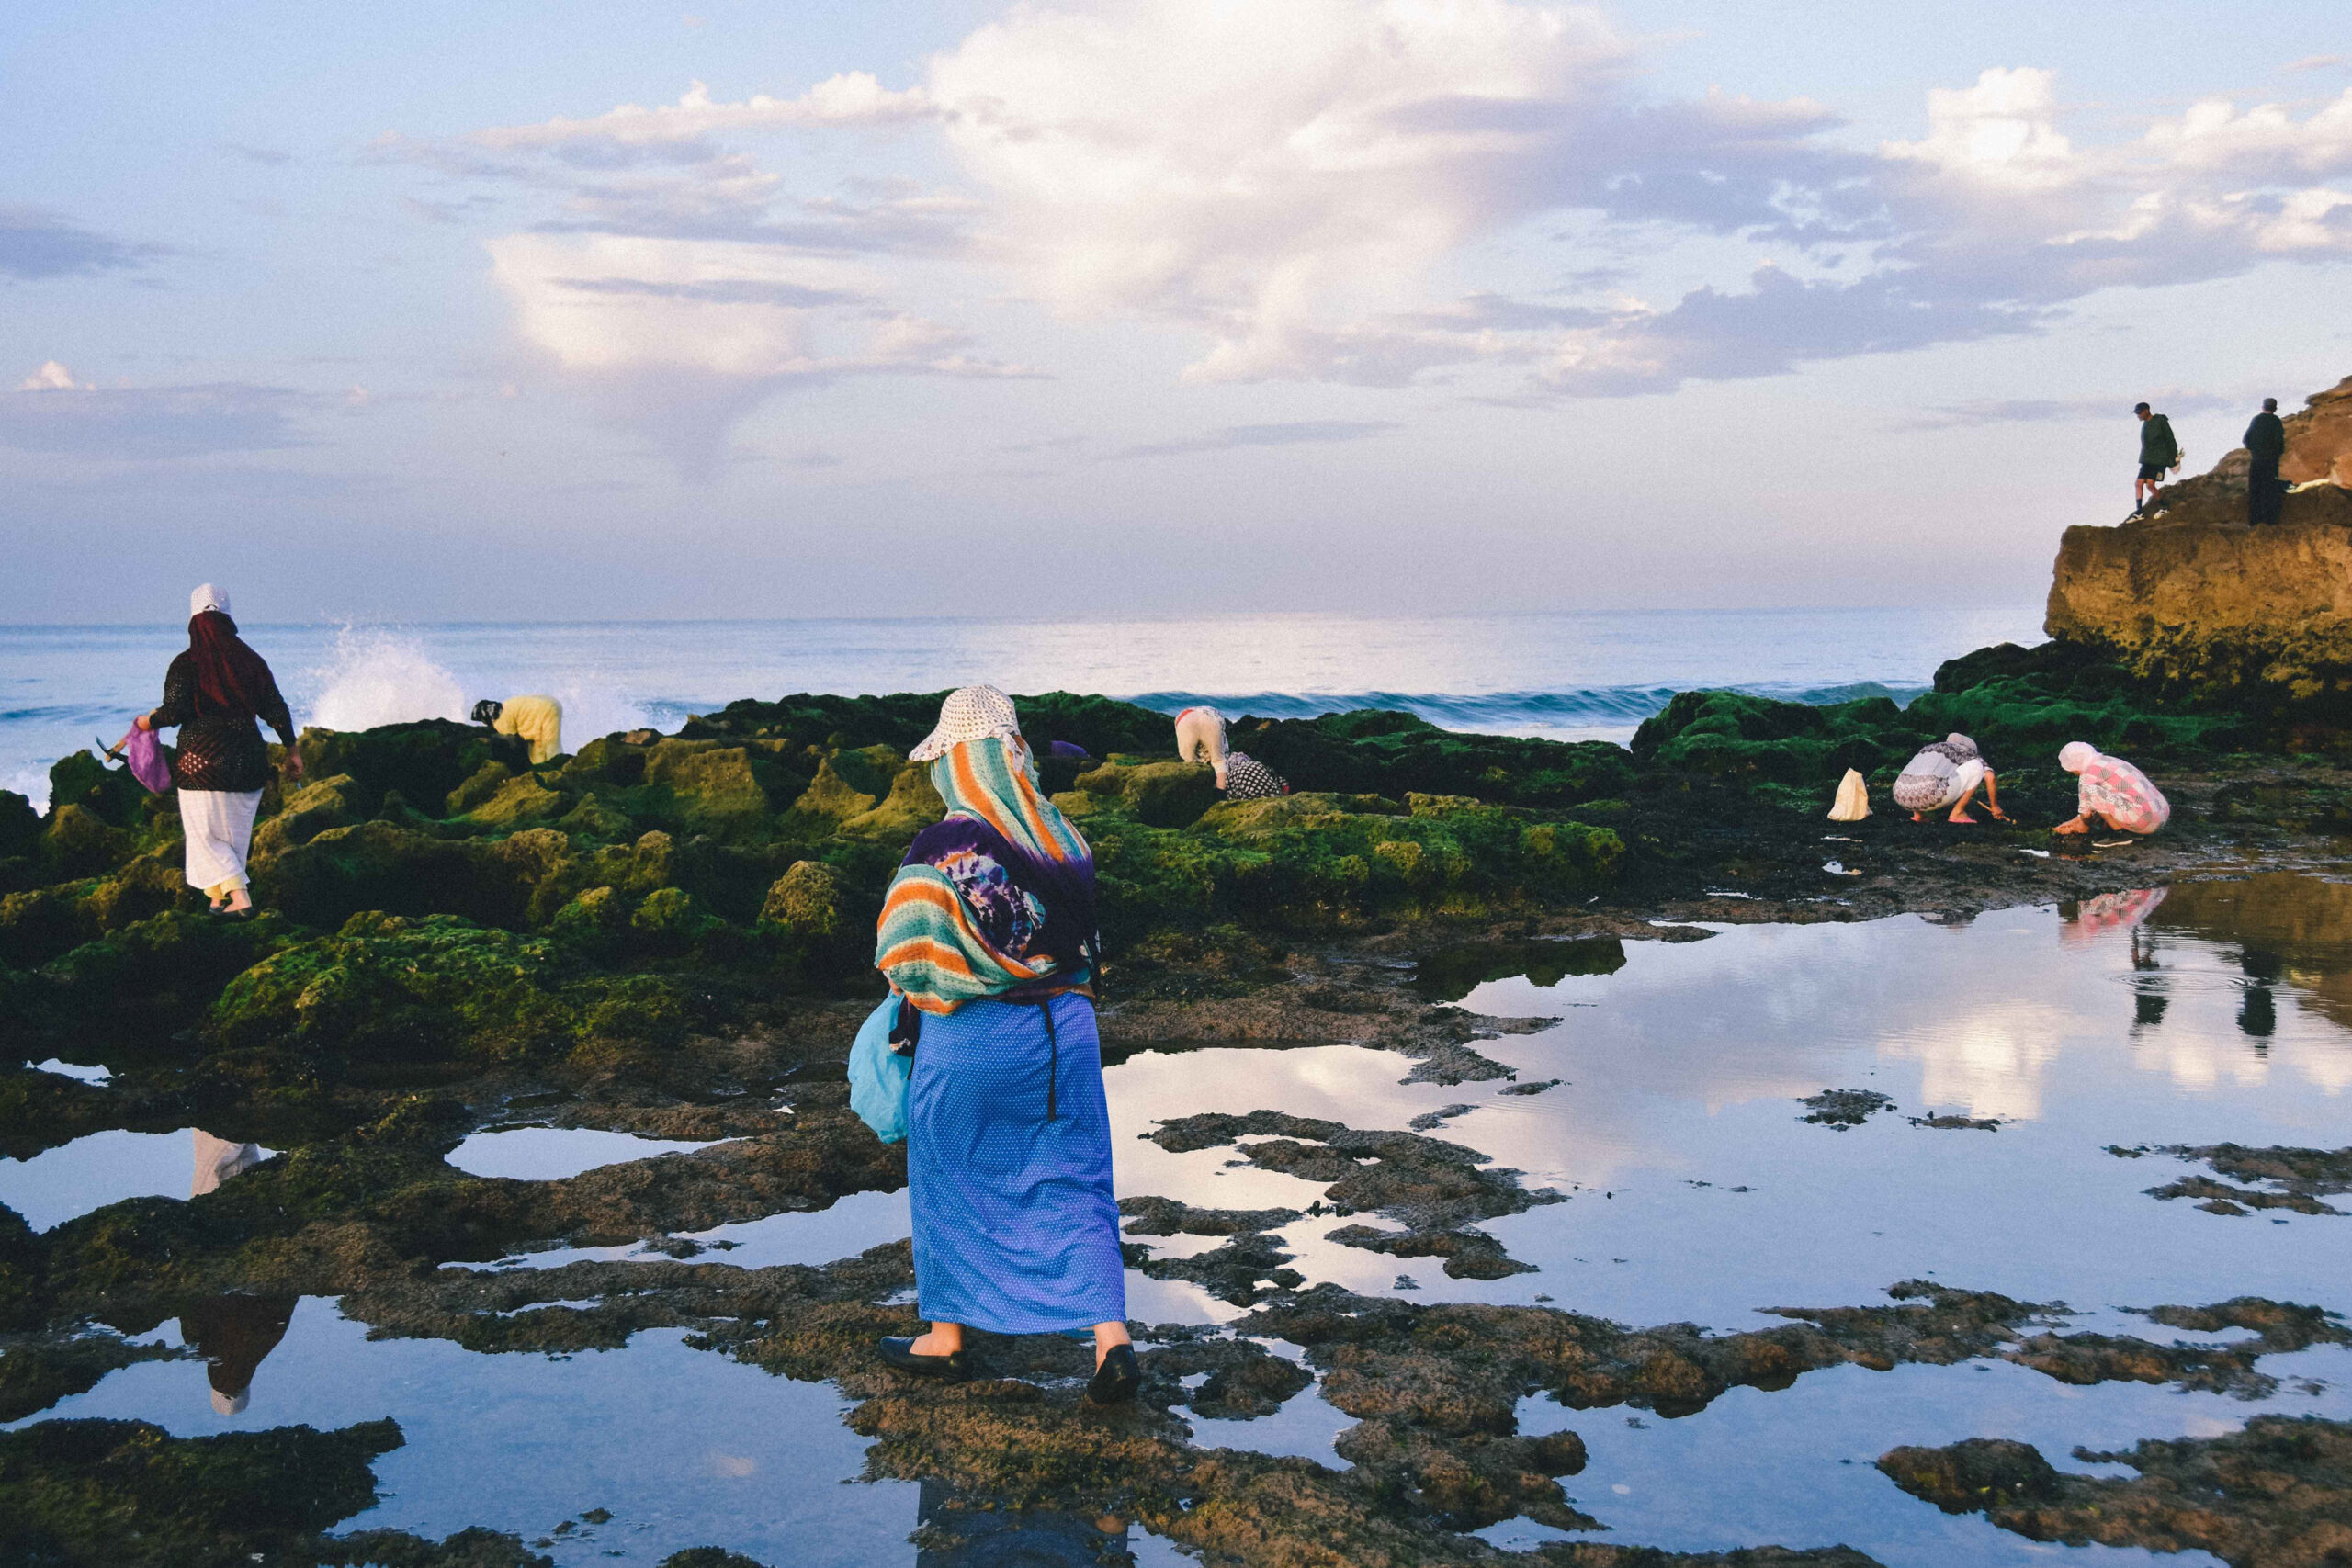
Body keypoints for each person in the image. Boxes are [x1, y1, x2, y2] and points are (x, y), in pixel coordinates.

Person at [872, 685, 1137, 1404]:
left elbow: (902, 945)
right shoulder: (1064, 837)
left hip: (977, 1039)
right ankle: (1111, 1342)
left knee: (946, 1169)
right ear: (1013, 754)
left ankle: (946, 1338)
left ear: (954, 762)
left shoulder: (942, 846)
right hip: (1068, 1033)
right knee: (1078, 1177)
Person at [136, 585, 300, 917]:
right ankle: (217, 898)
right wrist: (292, 750)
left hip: (201, 761)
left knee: (204, 836)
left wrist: (146, 722)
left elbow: (175, 711)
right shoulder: (252, 660)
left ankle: (240, 898)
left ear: (193, 620)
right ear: (228, 617)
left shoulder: (186, 662)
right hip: (248, 759)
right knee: (232, 835)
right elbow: (276, 709)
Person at [2052, 741, 2170, 837]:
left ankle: (2118, 834)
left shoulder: (2087, 775)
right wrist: (2078, 819)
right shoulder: (2109, 760)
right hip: (2161, 814)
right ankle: (2117, 828)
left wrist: (2083, 824)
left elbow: (2086, 813)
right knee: (2104, 794)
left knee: (2092, 791)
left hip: (2144, 822)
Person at [1892, 733, 2009, 825]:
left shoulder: (1930, 748)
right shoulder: (1967, 752)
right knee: (1976, 765)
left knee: (1922, 773)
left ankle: (1918, 815)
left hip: (1901, 796)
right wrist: (1995, 806)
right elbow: (1990, 777)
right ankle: (1958, 812)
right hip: (1929, 797)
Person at [471, 694, 563, 764]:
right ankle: (547, 771)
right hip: (548, 704)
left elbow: (513, 741)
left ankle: (558, 769)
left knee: (550, 744)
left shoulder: (500, 721)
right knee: (536, 752)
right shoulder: (507, 705)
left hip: (547, 710)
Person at [2132, 402, 2180, 518]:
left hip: (2159, 459)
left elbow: (2170, 438)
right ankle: (2139, 512)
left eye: (2139, 413)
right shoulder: (2145, 424)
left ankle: (2164, 507)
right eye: (2137, 413)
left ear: (2146, 411)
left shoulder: (2160, 421)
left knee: (2150, 485)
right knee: (2138, 483)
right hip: (2147, 459)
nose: (2138, 416)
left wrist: (2174, 457)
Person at [2245, 398, 2287, 526]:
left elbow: (2246, 439)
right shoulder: (2276, 421)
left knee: (2255, 490)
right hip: (2271, 462)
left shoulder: (2256, 420)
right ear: (2275, 409)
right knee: (2269, 490)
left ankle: (2253, 522)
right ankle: (2269, 521)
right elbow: (2279, 443)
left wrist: (2256, 451)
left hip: (2257, 460)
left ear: (2263, 407)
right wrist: (2276, 454)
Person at [1173, 705, 1229, 787]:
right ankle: (1221, 791)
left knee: (1189, 764)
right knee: (1219, 762)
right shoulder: (1214, 713)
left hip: (1184, 720)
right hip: (1210, 719)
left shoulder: (1182, 714)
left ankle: (1192, 791)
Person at [1221, 751, 1288, 800]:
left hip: (1254, 802)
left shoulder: (1232, 773)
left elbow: (1231, 796)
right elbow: (1283, 783)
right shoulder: (1257, 763)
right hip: (1274, 796)